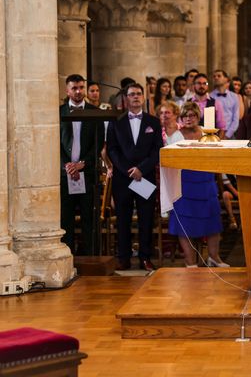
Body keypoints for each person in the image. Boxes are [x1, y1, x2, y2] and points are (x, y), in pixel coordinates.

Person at [107, 83, 163, 271]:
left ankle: (145, 257)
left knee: (146, 219)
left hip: (145, 177)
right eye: (132, 94)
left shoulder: (153, 122)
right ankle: (124, 257)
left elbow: (157, 150)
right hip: (123, 179)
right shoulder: (116, 121)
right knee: (123, 220)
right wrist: (127, 170)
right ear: (126, 98)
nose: (136, 97)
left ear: (143, 97)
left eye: (139, 94)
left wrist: (141, 169)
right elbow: (112, 150)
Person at [168, 102, 228, 268]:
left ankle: (214, 257)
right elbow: (169, 159)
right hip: (184, 183)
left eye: (192, 115)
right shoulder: (176, 135)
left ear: (198, 116)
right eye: (185, 116)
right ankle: (190, 261)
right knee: (186, 222)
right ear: (181, 118)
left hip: (206, 180)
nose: (189, 118)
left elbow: (217, 153)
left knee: (212, 219)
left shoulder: (206, 132)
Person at [60, 74, 105, 255]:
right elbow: (54, 142)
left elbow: (99, 143)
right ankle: (68, 255)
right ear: (67, 90)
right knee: (66, 219)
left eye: (81, 88)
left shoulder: (95, 112)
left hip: (87, 174)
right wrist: (68, 165)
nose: (78, 92)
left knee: (89, 217)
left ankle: (89, 256)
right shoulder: (59, 112)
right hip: (65, 174)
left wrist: (82, 164)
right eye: (74, 88)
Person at [211, 69, 240, 138]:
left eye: (219, 76)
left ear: (226, 79)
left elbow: (235, 119)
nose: (216, 78)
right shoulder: (210, 96)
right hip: (214, 133)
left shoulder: (234, 96)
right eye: (214, 76)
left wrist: (227, 135)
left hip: (230, 133)